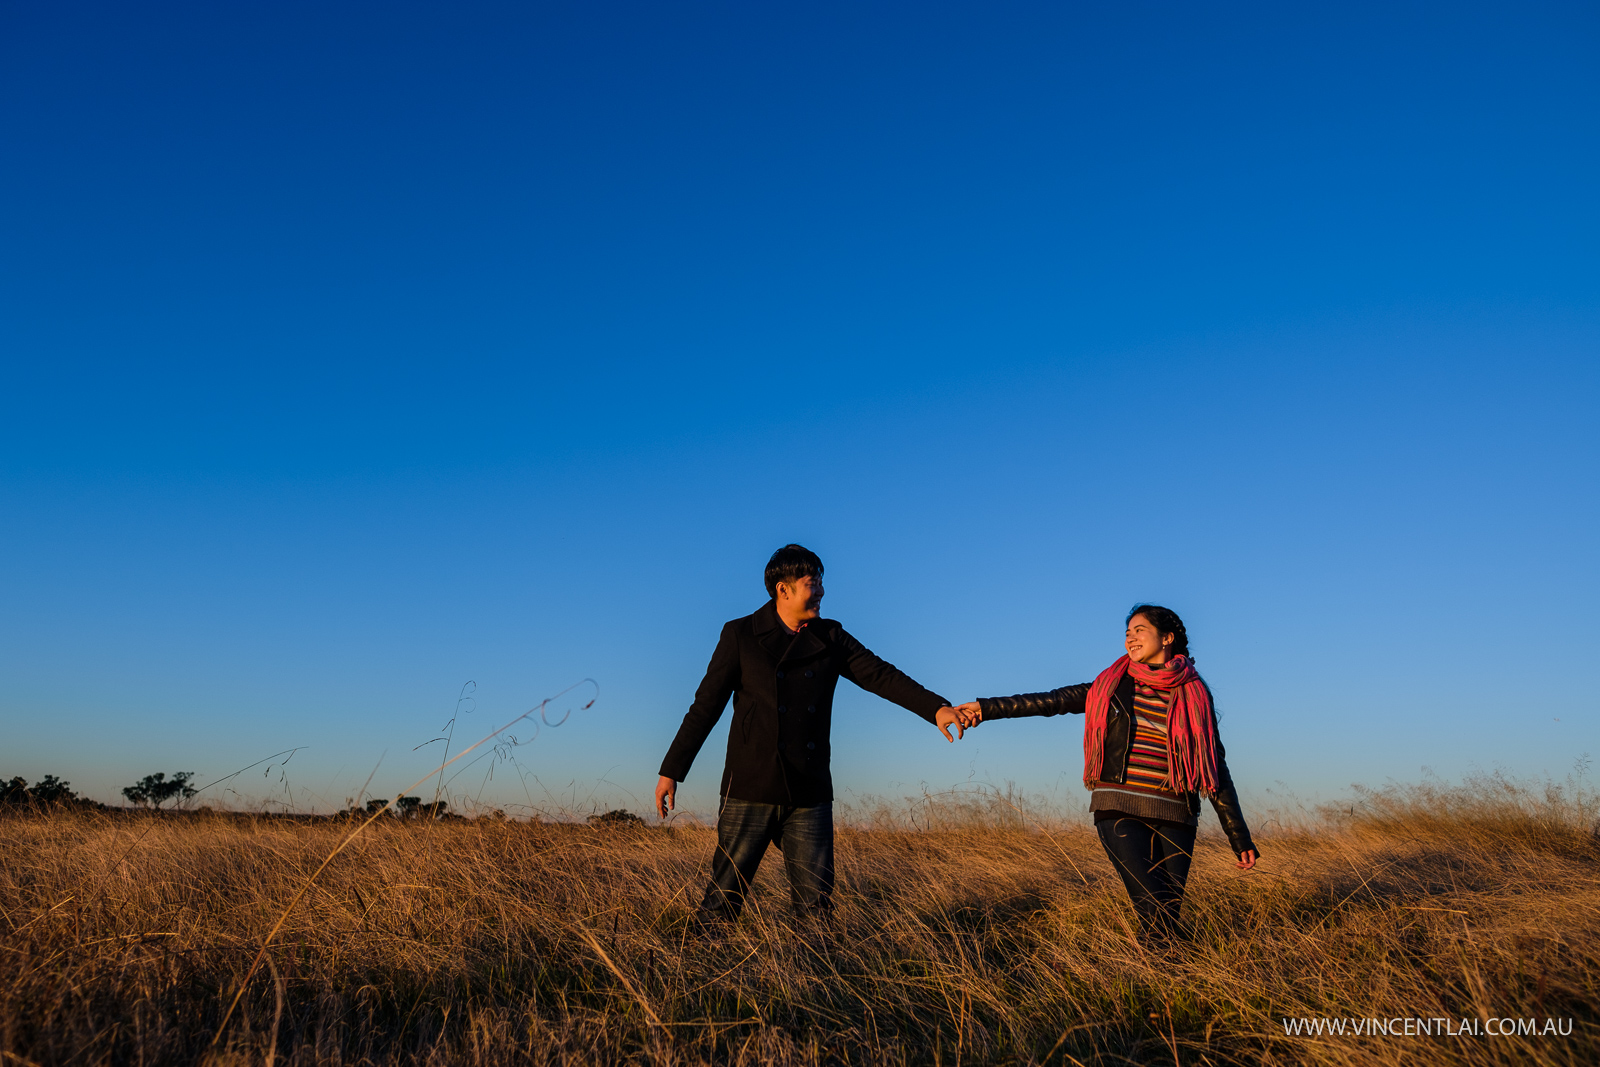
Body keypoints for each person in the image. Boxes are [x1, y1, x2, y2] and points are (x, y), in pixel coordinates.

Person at [656, 544, 967, 926]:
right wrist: (672, 769)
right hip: (749, 788)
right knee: (723, 902)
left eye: (821, 581)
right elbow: (706, 706)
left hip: (809, 791)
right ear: (782, 590)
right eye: (811, 582)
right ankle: (704, 974)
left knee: (816, 908)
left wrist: (935, 707)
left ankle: (814, 981)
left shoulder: (831, 637)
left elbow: (881, 676)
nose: (820, 590)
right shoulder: (740, 635)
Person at [950, 605, 1257, 940]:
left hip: (1177, 814)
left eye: (1140, 629)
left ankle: (1165, 981)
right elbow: (1051, 701)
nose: (1130, 636)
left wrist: (1238, 836)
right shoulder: (1111, 685)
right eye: (1128, 632)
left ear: (1167, 638)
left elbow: (1214, 765)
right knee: (1154, 911)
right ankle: (1164, 981)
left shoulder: (1194, 693)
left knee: (1166, 913)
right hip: (1120, 807)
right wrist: (986, 708)